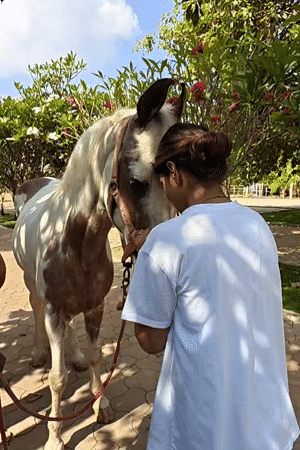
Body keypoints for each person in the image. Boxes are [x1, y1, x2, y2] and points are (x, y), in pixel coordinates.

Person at [121, 122, 299, 450]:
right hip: (265, 425)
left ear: (174, 173)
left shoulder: (166, 240)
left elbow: (150, 340)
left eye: (162, 182)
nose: (165, 192)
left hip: (202, 431)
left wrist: (147, 264)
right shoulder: (257, 225)